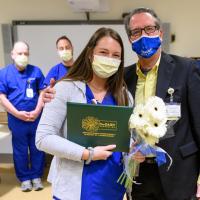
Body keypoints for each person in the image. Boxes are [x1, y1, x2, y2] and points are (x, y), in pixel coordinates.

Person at [35, 27, 133, 200]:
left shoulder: (123, 95)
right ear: (90, 53)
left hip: (113, 187)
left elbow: (128, 138)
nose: (109, 59)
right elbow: (43, 138)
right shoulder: (64, 88)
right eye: (103, 52)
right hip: (75, 188)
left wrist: (135, 147)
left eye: (116, 55)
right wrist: (88, 154)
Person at [124, 7, 200, 200]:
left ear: (160, 32)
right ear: (129, 39)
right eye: (136, 32)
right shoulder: (124, 77)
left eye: (149, 29)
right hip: (138, 173)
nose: (144, 35)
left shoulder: (186, 68)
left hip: (179, 172)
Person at [0, 41, 45, 192]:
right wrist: (17, 113)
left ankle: (37, 176)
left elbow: (43, 93)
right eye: (19, 53)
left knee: (37, 148)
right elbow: (2, 97)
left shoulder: (36, 71)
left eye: (26, 53)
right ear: (12, 54)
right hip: (16, 119)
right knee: (20, 150)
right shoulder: (4, 73)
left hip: (35, 118)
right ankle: (25, 178)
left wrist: (37, 111)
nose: (23, 56)